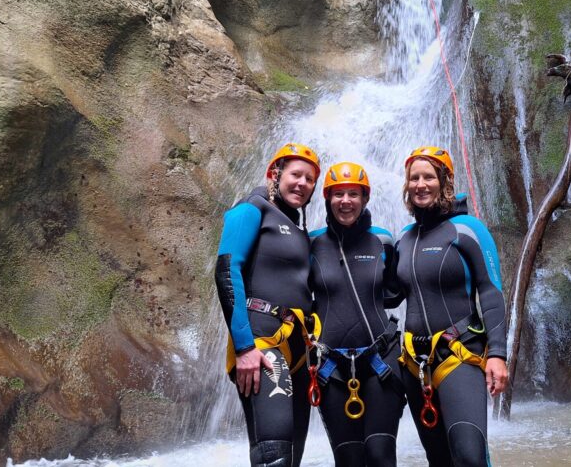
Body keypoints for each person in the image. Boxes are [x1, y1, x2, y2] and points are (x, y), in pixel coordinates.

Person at [395, 146, 509, 467]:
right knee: (439, 459)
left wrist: (498, 354)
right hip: (414, 364)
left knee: (469, 457)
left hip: (459, 354)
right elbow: (389, 295)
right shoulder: (404, 238)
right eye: (414, 178)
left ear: (444, 180)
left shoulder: (468, 229)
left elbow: (490, 290)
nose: (421, 184)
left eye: (428, 176)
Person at [214, 143, 322, 467]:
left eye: (310, 179)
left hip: (299, 351)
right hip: (261, 343)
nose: (302, 183)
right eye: (295, 175)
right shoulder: (252, 208)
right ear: (275, 174)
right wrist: (244, 347)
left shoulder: (301, 232)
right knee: (273, 455)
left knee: (292, 456)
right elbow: (226, 269)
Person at [309, 162, 405, 466]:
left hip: (381, 362)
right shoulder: (312, 243)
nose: (346, 201)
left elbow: (395, 291)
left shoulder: (384, 241)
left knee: (380, 455)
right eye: (338, 194)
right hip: (332, 368)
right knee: (348, 459)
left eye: (353, 194)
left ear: (364, 198)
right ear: (327, 198)